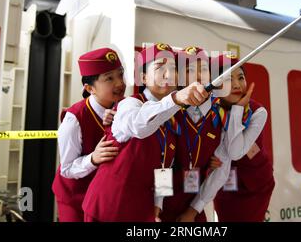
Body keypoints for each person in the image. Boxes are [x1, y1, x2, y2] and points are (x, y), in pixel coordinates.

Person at [82, 43, 208, 222]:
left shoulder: (173, 118)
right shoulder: (130, 104)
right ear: (143, 77)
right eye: (159, 67)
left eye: (173, 68)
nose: (169, 74)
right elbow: (139, 126)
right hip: (108, 207)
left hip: (140, 210)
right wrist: (176, 99)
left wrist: (158, 204)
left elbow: (165, 167)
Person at [51, 47, 125, 222]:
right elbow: (67, 169)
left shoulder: (124, 109)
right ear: (90, 88)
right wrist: (93, 158)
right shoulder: (74, 119)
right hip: (75, 198)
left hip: (105, 197)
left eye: (120, 75)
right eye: (109, 78)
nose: (119, 83)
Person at [159, 46, 224, 222]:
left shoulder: (221, 114)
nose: (197, 75)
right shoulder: (167, 111)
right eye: (189, 70)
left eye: (203, 69)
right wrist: (157, 207)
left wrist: (192, 212)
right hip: (164, 202)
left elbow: (223, 169)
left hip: (196, 205)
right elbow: (163, 165)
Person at [213, 54, 275, 222]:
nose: (236, 84)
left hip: (255, 184)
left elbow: (235, 152)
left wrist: (238, 110)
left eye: (241, 77)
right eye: (227, 79)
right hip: (224, 183)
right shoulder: (211, 111)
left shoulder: (258, 111)